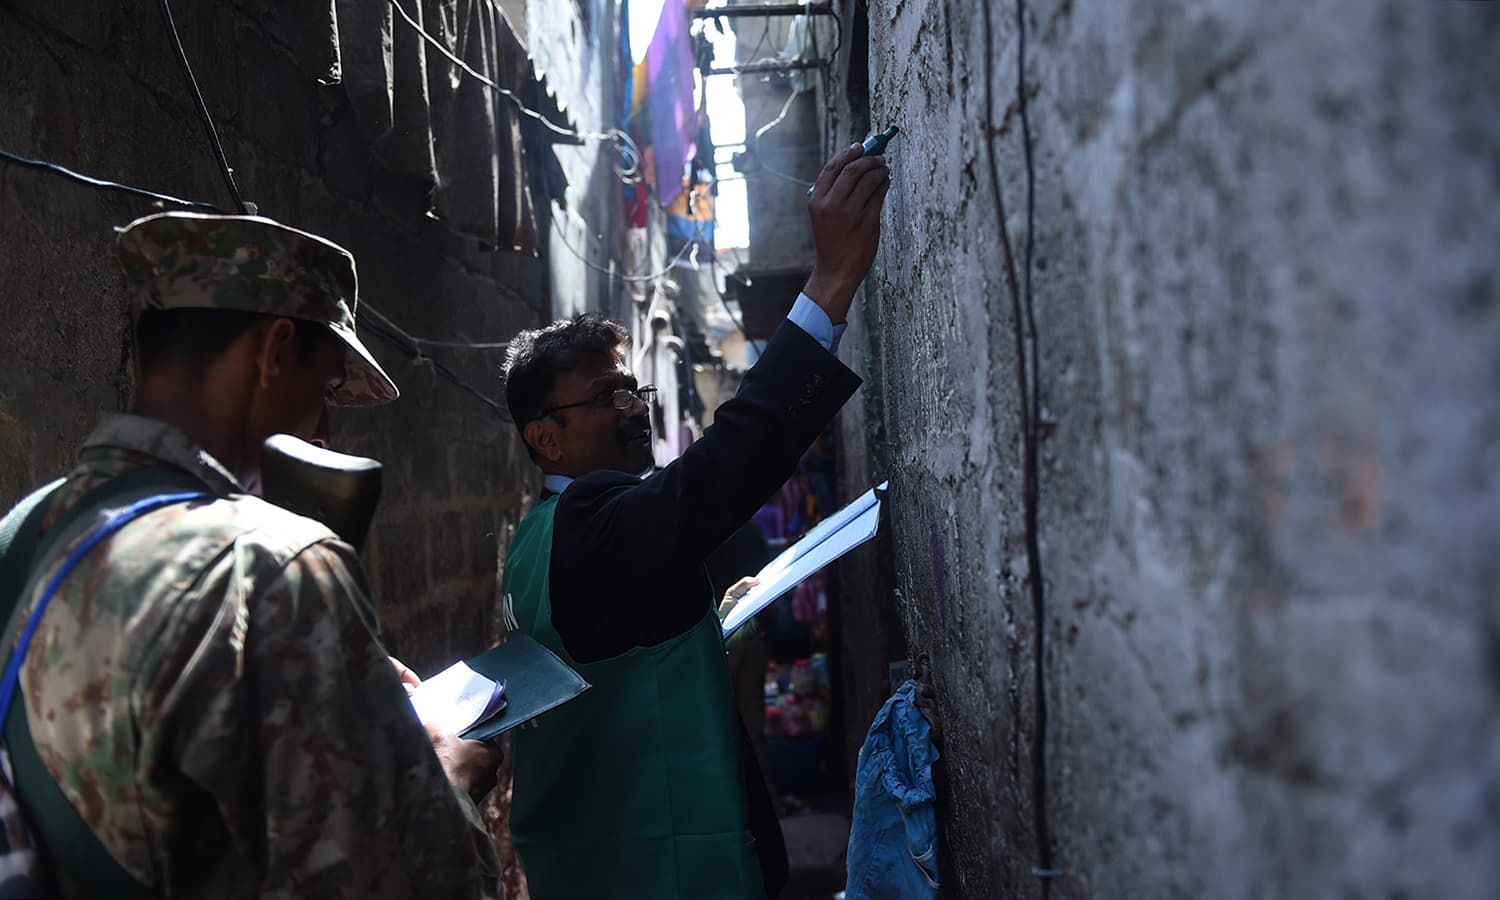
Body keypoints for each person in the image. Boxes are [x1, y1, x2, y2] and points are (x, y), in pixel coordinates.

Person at [0, 212, 503, 898]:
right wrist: (451, 777)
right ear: (272, 350)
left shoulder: (26, 527)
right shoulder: (271, 567)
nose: (323, 429)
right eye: (326, 389)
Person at [499, 143, 889, 899]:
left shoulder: (537, 540)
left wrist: (706, 617)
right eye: (605, 397)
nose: (633, 408)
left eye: (631, 389)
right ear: (544, 436)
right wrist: (831, 280)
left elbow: (618, 642)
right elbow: (725, 467)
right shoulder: (588, 522)